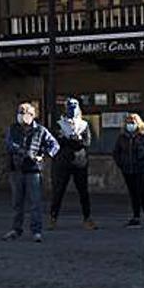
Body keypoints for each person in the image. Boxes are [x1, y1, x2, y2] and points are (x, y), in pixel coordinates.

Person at [2, 103, 60, 243]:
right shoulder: (13, 128)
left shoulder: (40, 130)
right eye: (20, 112)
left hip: (33, 170)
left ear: (32, 115)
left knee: (35, 202)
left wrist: (44, 155)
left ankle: (36, 231)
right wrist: (22, 151)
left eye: (24, 112)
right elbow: (9, 144)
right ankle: (16, 229)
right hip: (17, 170)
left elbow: (54, 145)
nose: (21, 115)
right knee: (17, 202)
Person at [49, 98, 96, 231]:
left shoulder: (84, 125)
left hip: (80, 162)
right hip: (63, 163)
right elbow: (57, 141)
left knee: (83, 192)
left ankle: (87, 219)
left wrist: (71, 140)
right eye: (70, 106)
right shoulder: (59, 124)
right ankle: (53, 218)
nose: (72, 108)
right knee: (58, 191)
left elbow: (86, 142)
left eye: (75, 106)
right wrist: (73, 140)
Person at [112, 113, 144, 228]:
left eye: (133, 122)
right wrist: (121, 164)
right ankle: (136, 217)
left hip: (141, 169)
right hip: (128, 170)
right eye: (128, 122)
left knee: (142, 194)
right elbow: (116, 152)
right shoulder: (122, 137)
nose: (130, 124)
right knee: (133, 194)